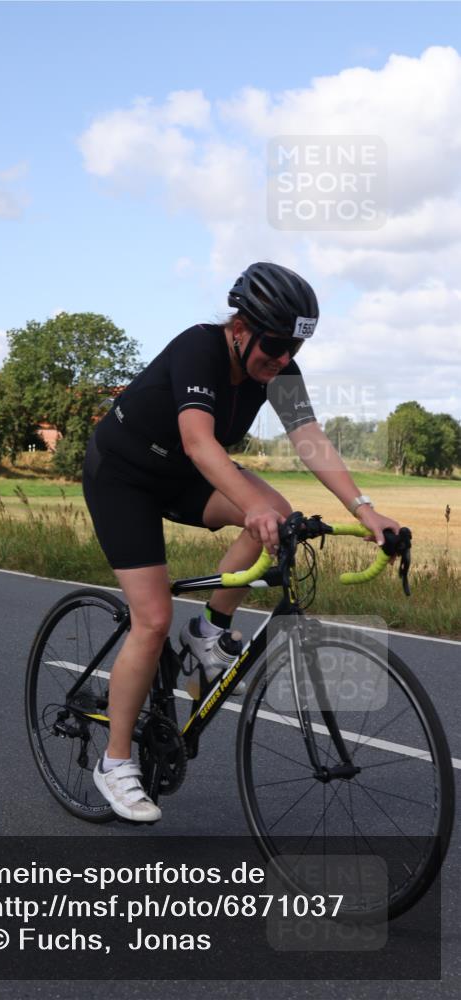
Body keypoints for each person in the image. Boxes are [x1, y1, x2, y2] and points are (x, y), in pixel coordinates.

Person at [82, 261, 400, 822]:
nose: (280, 361)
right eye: (273, 345)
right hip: (123, 475)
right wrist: (249, 504)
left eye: (291, 352)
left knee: (280, 514)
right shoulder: (199, 349)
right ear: (240, 325)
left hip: (181, 477)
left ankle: (209, 630)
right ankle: (113, 763)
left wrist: (367, 510)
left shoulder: (278, 371)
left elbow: (311, 441)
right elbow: (200, 443)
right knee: (152, 619)